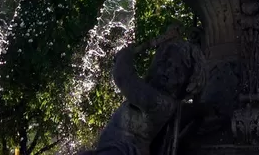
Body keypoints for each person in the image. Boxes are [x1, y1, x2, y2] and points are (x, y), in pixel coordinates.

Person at [86, 25, 205, 155]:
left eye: (177, 71)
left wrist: (125, 55)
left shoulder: (162, 103)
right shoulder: (157, 98)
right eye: (165, 62)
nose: (168, 71)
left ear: (188, 84)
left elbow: (123, 78)